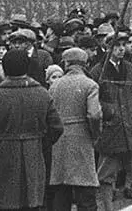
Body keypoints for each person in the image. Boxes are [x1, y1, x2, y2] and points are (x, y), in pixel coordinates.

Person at [0, 49, 62, 211]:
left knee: (3, 202)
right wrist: (40, 142)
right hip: (34, 154)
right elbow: (56, 127)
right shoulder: (42, 93)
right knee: (32, 202)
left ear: (5, 68)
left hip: (1, 156)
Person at [90, 34, 132, 210]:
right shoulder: (97, 71)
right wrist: (109, 111)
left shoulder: (130, 68)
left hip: (131, 129)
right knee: (106, 176)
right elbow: (93, 102)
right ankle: (108, 207)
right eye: (117, 45)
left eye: (124, 45)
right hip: (110, 131)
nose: (122, 49)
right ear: (108, 47)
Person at [48, 47, 102, 211]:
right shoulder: (90, 85)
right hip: (82, 140)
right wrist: (95, 134)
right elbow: (94, 115)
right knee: (85, 194)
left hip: (59, 142)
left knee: (61, 194)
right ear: (85, 64)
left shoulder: (55, 85)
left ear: (66, 63)